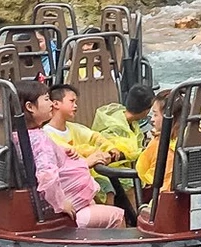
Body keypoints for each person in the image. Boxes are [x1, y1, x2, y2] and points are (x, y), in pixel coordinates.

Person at [17, 82, 127, 229]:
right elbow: (47, 176)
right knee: (118, 216)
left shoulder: (20, 135)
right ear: (30, 107)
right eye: (46, 99)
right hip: (59, 211)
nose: (51, 104)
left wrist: (61, 151)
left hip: (57, 201)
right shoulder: (40, 140)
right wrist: (61, 203)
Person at [92, 82, 156, 164]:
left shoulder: (131, 122)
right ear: (146, 110)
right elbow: (114, 156)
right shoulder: (112, 129)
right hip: (116, 174)